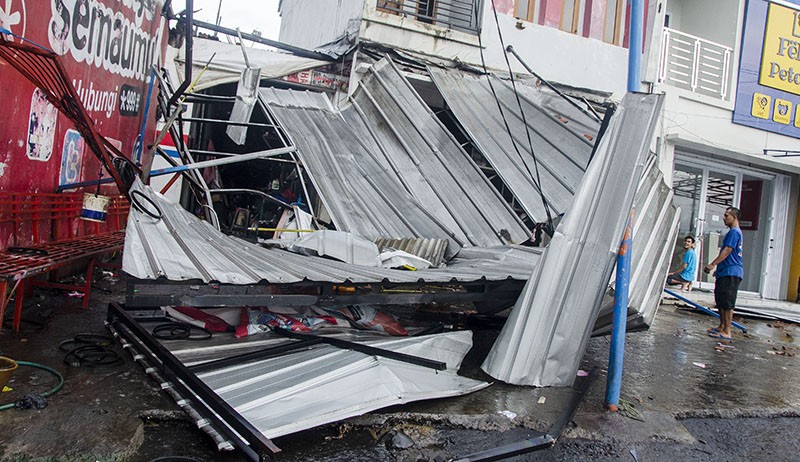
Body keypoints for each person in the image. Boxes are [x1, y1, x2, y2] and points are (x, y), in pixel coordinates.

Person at [703, 207, 743, 341]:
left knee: (727, 302)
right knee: (720, 300)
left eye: (727, 216)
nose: (724, 218)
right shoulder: (732, 232)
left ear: (734, 217)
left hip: (732, 271)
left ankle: (727, 331)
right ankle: (721, 326)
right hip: (725, 271)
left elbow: (727, 250)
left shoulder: (734, 232)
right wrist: (719, 269)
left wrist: (712, 264)